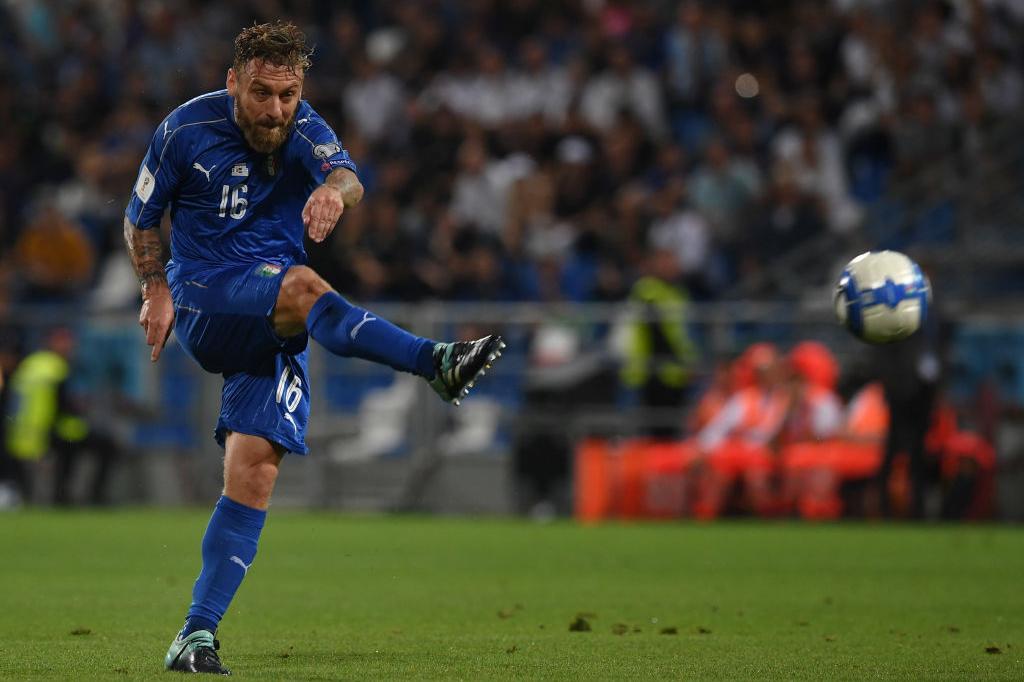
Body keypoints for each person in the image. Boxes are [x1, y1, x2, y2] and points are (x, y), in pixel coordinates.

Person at [122, 22, 504, 675]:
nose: (276, 110)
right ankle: (433, 362)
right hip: (208, 297)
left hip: (274, 316)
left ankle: (195, 636)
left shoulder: (303, 127)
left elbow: (348, 177)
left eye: (288, 95)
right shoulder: (184, 130)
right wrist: (155, 287)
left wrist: (332, 191)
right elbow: (140, 219)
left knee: (254, 472)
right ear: (233, 82)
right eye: (262, 93)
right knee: (302, 283)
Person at [3, 327, 119, 506]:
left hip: (21, 435)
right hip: (45, 432)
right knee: (106, 445)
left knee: (71, 448)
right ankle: (94, 496)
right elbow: (61, 407)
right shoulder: (56, 367)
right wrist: (80, 410)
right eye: (63, 341)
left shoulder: (31, 364)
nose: (68, 346)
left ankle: (61, 494)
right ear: (50, 342)